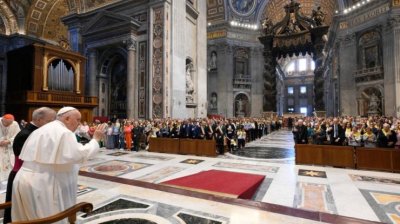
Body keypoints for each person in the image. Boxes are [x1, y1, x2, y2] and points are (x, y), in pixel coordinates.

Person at [11, 107, 106, 223]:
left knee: (28, 217)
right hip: (44, 183)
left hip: (24, 179)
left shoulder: (42, 129)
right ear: (67, 118)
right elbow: (81, 154)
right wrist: (96, 140)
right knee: (49, 218)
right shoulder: (63, 132)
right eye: (77, 120)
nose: (79, 123)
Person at [3, 107, 56, 224]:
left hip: (30, 176)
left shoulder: (35, 132)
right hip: (22, 175)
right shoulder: (27, 134)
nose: (53, 125)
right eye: (50, 121)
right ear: (39, 119)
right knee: (18, 211)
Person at [0, 114, 20, 182]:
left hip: (9, 148)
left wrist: (9, 141)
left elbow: (18, 136)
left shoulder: (15, 124)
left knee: (9, 165)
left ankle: (7, 180)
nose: (8, 125)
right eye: (6, 123)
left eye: (10, 124)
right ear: (2, 120)